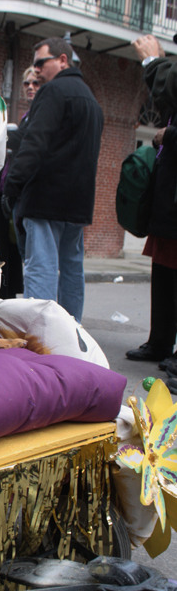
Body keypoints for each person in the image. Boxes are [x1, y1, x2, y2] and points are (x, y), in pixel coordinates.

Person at [1, 37, 103, 323]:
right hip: (78, 202)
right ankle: (71, 329)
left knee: (41, 268)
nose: (36, 70)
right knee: (72, 268)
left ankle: (41, 332)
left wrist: (12, 187)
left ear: (62, 60)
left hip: (45, 199)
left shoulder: (53, 91)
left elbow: (35, 143)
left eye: (40, 63)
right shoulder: (91, 100)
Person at [125, 34, 177, 371]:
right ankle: (160, 342)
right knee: (163, 274)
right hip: (168, 198)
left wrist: (152, 61)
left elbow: (167, 89)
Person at [0, 66, 39, 298]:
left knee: (31, 258)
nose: (30, 87)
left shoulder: (39, 115)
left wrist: (0, 134)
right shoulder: (30, 114)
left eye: (35, 83)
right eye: (27, 83)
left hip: (23, 192)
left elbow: (27, 141)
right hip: (7, 189)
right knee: (13, 248)